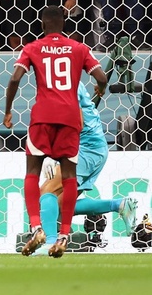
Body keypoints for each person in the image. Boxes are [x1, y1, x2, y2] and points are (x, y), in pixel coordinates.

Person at [3, 5, 108, 258]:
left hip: (43, 118)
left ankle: (36, 227)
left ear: (41, 24)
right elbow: (102, 77)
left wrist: (7, 111)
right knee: (70, 177)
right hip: (70, 119)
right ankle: (63, 235)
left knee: (32, 173)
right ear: (64, 24)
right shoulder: (80, 48)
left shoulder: (32, 48)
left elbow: (15, 78)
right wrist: (100, 89)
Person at [32, 85, 138, 255]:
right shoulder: (66, 78)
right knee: (59, 206)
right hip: (93, 148)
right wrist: (101, 85)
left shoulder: (64, 82)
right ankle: (120, 205)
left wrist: (54, 154)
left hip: (86, 149)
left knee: (46, 191)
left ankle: (51, 243)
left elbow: (76, 123)